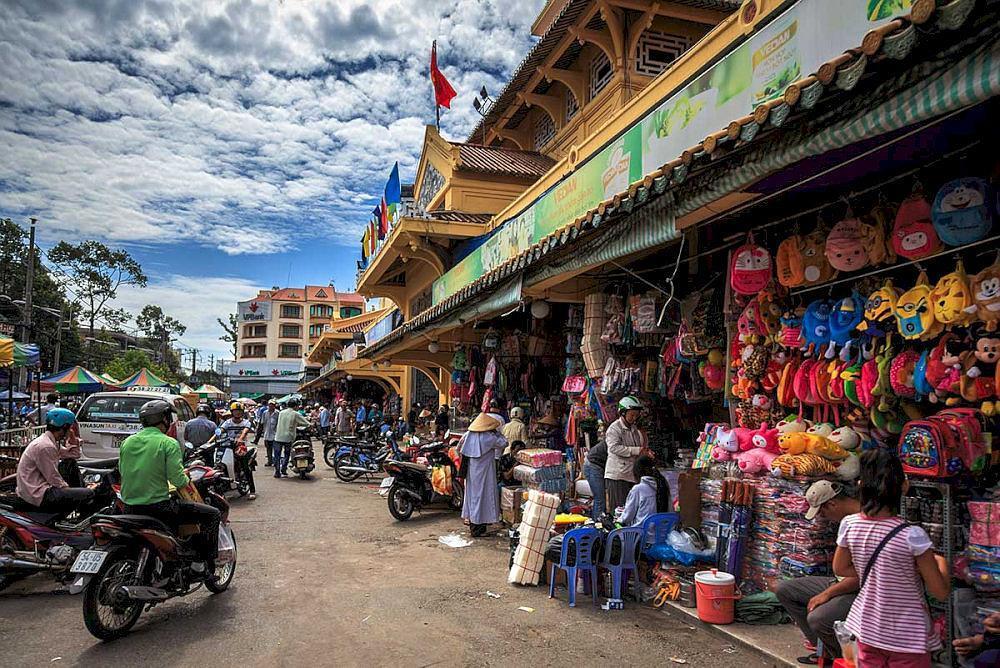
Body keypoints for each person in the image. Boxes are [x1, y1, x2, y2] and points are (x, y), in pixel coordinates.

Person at [833, 449, 950, 667]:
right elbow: (940, 592)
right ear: (904, 486)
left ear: (860, 485)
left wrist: (881, 572)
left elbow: (841, 568)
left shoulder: (849, 524)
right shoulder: (913, 537)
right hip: (908, 635)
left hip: (867, 627)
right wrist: (941, 564)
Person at [118, 400, 221, 578]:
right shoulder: (168, 443)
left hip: (128, 507)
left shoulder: (127, 442)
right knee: (212, 515)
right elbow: (178, 479)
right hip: (158, 509)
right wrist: (187, 478)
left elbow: (123, 470)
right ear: (164, 419)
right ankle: (198, 565)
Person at [773, 480, 861, 665]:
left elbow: (862, 576)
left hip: (860, 591)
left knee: (818, 618)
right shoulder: (847, 522)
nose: (824, 517)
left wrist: (827, 594)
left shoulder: (860, 523)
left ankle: (846, 659)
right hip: (841, 582)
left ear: (832, 504)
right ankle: (824, 650)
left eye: (823, 511)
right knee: (785, 589)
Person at [16, 408, 94, 513]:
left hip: (40, 487)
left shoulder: (51, 443)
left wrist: (72, 437)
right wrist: (71, 490)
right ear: (64, 428)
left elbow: (74, 455)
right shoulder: (46, 446)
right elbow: (53, 477)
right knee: (88, 494)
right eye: (70, 428)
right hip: (38, 493)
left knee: (70, 463)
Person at [459, 412, 507, 537]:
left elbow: (459, 447)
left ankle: (475, 526)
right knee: (483, 497)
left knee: (473, 497)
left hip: (471, 470)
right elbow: (504, 443)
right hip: (485, 471)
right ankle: (478, 527)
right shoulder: (489, 437)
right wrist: (497, 433)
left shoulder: (469, 434)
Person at [604, 396, 652, 514]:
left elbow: (639, 447)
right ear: (623, 413)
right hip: (618, 476)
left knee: (630, 510)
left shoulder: (634, 429)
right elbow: (614, 448)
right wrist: (637, 451)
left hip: (630, 474)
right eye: (632, 415)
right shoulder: (614, 429)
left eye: (636, 415)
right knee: (619, 510)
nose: (634, 418)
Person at [619, 455, 670, 527]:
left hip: (641, 534)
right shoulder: (663, 485)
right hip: (662, 533)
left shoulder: (638, 489)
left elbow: (627, 517)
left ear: (637, 472)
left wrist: (617, 520)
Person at [220, 402, 256, 500]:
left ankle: (252, 490)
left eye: (240, 411)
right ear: (232, 412)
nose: (238, 413)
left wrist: (240, 439)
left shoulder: (246, 422)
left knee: (245, 467)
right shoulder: (227, 422)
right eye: (236, 411)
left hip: (241, 447)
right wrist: (210, 440)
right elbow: (220, 431)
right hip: (228, 446)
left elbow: (245, 431)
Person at [274, 398, 310, 478]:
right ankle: (283, 469)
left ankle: (277, 472)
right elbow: (306, 423)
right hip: (288, 438)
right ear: (296, 406)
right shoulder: (295, 413)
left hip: (278, 437)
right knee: (287, 454)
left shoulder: (281, 412)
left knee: (277, 455)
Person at [585, 437, 607, 521]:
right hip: (593, 465)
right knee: (600, 499)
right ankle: (597, 526)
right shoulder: (615, 437)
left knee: (600, 499)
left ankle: (598, 522)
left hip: (595, 464)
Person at [260, 400, 280, 466]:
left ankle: (276, 461)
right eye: (270, 405)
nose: (271, 406)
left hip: (275, 434)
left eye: (272, 405)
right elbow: (263, 423)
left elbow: (279, 423)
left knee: (276, 449)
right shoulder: (265, 413)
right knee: (268, 449)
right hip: (267, 434)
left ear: (274, 405)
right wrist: (263, 431)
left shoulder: (277, 413)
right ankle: (270, 461)